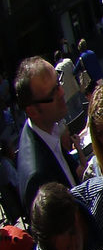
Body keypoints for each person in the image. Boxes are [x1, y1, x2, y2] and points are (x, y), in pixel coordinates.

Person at [12, 59, 77, 207]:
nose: (62, 92)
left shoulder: (47, 129)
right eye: (53, 92)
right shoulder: (39, 180)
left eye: (58, 83)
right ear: (32, 111)